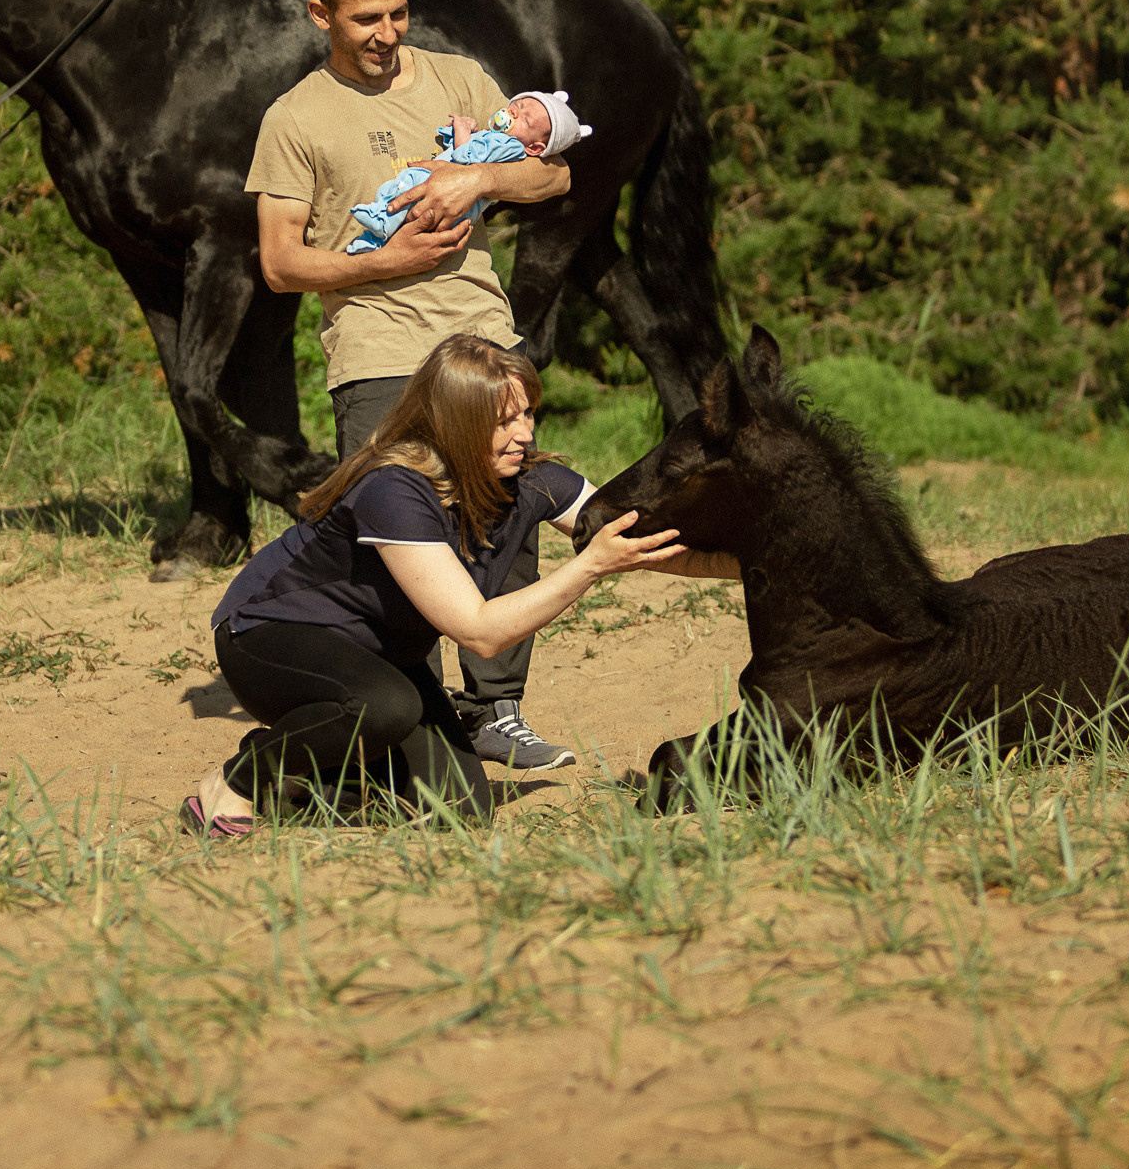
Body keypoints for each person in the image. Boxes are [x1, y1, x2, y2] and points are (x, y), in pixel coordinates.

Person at [250, 0, 579, 770]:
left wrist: (481, 179)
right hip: (376, 351)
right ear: (320, 13)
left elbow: (554, 177)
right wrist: (382, 262)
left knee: (507, 513)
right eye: (366, 18)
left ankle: (496, 707)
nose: (388, 33)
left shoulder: (458, 77)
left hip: (480, 335)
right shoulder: (294, 117)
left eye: (399, 11)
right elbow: (281, 262)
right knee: (400, 535)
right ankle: (421, 713)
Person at [188, 336, 736, 834]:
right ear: (453, 424)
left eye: (527, 413)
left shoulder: (534, 481)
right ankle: (240, 777)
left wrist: (759, 563)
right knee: (384, 706)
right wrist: (589, 566)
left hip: (378, 659)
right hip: (273, 635)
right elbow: (479, 633)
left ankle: (299, 774)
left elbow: (646, 540)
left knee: (461, 806)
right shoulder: (394, 489)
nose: (524, 433)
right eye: (504, 421)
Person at [345, 91, 592, 253]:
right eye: (517, 105)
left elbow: (467, 157)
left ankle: (381, 218)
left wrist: (463, 129)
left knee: (407, 185)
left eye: (526, 120)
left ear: (535, 147)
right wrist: (463, 130)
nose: (516, 112)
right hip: (446, 191)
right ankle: (372, 242)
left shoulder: (510, 146)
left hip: (451, 198)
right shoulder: (495, 137)